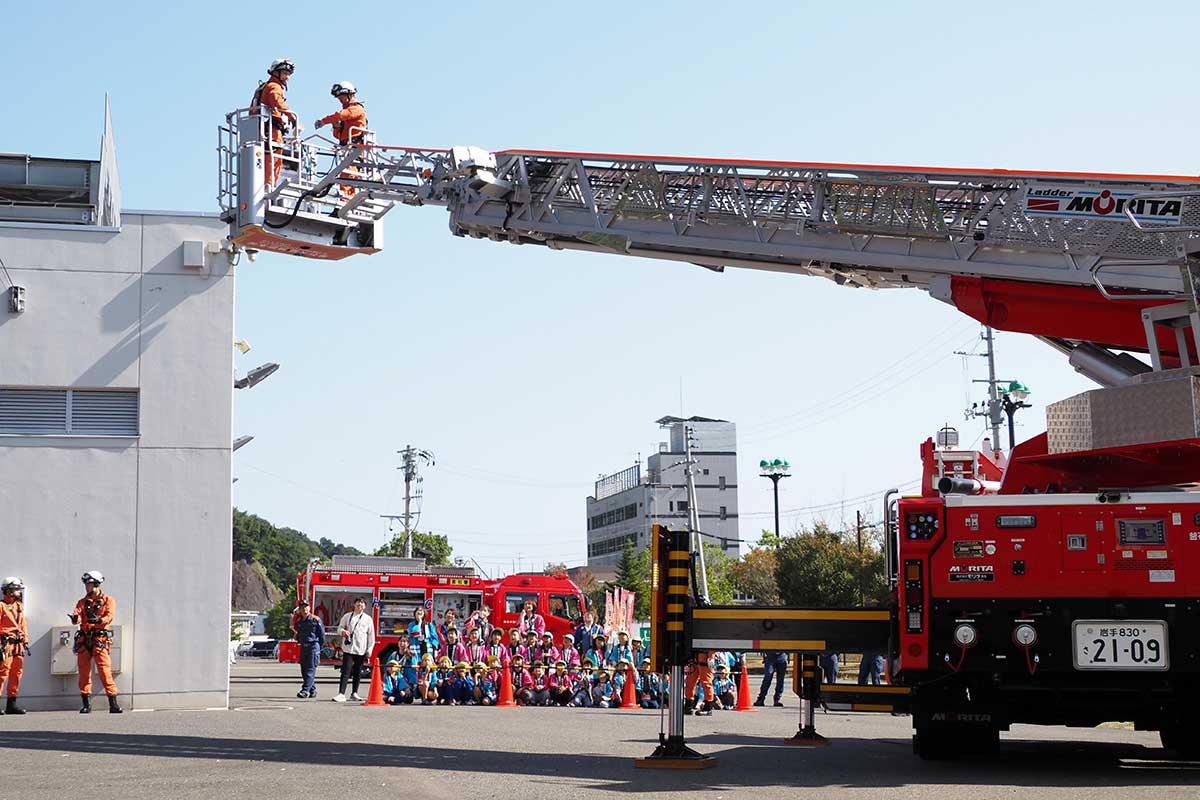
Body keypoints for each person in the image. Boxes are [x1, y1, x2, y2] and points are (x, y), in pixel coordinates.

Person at [71, 571, 122, 714]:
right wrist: (75, 619)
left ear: (97, 584)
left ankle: (113, 703)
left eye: (89, 584)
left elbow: (109, 616)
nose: (87, 587)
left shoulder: (108, 600)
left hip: (99, 640)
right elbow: (77, 613)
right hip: (84, 641)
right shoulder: (82, 602)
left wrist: (100, 621)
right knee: (84, 673)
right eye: (86, 584)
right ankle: (86, 704)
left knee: (105, 671)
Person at [249, 58, 302, 186]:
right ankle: (268, 186)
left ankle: (268, 184)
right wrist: (292, 118)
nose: (287, 77)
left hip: (267, 128)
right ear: (275, 72)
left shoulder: (266, 86)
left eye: (289, 74)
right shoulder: (274, 86)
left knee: (272, 159)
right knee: (272, 160)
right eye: (285, 73)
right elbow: (277, 102)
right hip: (271, 130)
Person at [333, 597, 376, 703]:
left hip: (361, 649)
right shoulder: (347, 616)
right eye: (358, 603)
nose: (359, 605)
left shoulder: (368, 619)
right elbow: (339, 628)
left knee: (358, 672)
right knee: (345, 671)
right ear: (354, 604)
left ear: (365, 606)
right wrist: (342, 632)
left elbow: (371, 636)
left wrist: (370, 649)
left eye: (362, 603)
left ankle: (354, 693)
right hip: (348, 649)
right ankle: (341, 693)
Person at [0, 577, 29, 715]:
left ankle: (11, 704)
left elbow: (23, 625)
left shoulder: (19, 606)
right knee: (2, 674)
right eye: (16, 589)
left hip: (18, 645)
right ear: (8, 590)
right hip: (6, 644)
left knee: (16, 675)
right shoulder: (1, 606)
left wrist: (26, 640)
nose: (18, 592)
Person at [293, 599, 326, 700]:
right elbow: (296, 632)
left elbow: (322, 636)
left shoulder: (315, 619)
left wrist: (318, 648)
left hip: (313, 646)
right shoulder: (299, 621)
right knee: (304, 670)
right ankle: (312, 689)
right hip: (304, 646)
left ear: (309, 608)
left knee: (310, 670)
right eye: (302, 608)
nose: (304, 609)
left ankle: (304, 690)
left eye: (306, 607)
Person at [685, 650, 714, 716]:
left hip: (704, 657)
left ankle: (708, 708)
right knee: (690, 682)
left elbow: (712, 642)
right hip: (694, 657)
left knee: (706, 682)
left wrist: (711, 657)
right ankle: (688, 706)